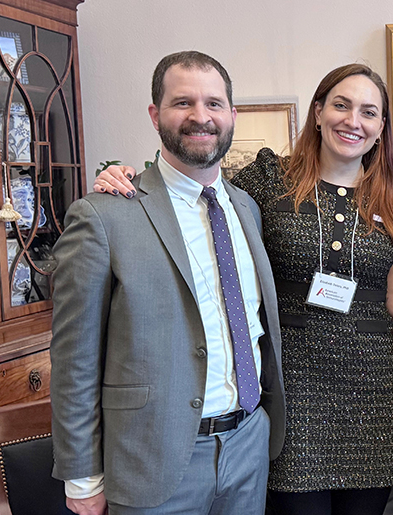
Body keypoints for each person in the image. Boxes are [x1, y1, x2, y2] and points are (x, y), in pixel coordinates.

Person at [92, 63, 393, 515]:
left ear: (381, 127)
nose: (352, 120)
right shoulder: (268, 179)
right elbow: (194, 189)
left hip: (374, 395)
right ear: (318, 112)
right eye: (340, 105)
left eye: (368, 112)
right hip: (294, 389)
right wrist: (127, 178)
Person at [50, 50, 285, 515]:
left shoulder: (246, 208)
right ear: (155, 114)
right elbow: (74, 358)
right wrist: (82, 477)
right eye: (183, 103)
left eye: (214, 103)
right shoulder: (104, 215)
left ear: (232, 115)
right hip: (151, 460)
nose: (201, 116)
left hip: (247, 446)